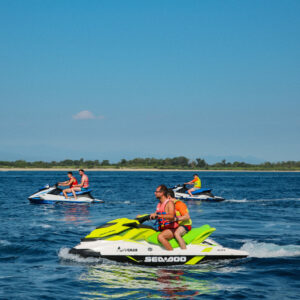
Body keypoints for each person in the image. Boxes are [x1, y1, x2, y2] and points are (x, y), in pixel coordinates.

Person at [150, 185, 178, 251]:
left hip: (172, 229)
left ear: (162, 193)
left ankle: (172, 254)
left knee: (161, 236)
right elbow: (157, 215)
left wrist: (158, 216)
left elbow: (171, 216)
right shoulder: (159, 204)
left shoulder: (169, 203)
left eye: (156, 192)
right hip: (163, 228)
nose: (155, 193)